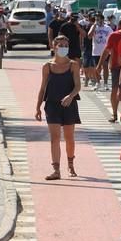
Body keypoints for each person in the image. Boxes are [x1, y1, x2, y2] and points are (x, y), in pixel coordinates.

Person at [34, 35, 81, 180]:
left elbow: (78, 85)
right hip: (52, 105)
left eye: (65, 45)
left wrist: (70, 96)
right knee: (54, 138)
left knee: (69, 138)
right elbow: (42, 88)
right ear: (54, 47)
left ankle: (71, 164)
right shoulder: (47, 66)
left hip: (69, 105)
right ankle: (56, 169)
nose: (63, 48)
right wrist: (37, 107)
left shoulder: (73, 65)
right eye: (60, 45)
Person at [97, 15, 121, 122]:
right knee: (116, 90)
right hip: (117, 67)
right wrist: (99, 66)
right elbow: (107, 51)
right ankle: (114, 114)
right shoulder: (114, 36)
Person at [88, 13, 113, 91]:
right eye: (96, 19)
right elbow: (89, 36)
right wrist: (94, 26)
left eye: (98, 19)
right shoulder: (93, 27)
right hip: (96, 51)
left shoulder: (107, 28)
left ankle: (105, 83)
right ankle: (98, 83)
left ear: (102, 19)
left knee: (105, 66)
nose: (97, 21)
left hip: (105, 50)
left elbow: (112, 37)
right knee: (97, 68)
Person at [81, 14, 97, 87]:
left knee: (92, 65)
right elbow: (83, 36)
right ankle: (87, 78)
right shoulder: (85, 27)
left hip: (94, 48)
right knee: (86, 65)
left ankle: (92, 78)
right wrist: (81, 44)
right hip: (87, 47)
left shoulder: (98, 28)